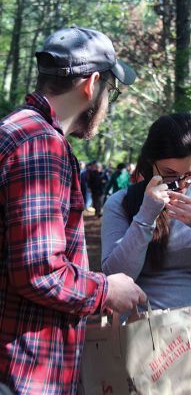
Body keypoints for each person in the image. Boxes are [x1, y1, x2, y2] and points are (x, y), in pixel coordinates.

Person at [0, 26, 146, 394]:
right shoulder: (40, 145)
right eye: (109, 90)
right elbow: (40, 272)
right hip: (23, 370)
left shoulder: (15, 132)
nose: (106, 101)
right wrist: (105, 290)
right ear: (91, 85)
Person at [101, 112, 191, 395]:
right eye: (169, 175)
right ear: (149, 163)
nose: (181, 185)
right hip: (142, 344)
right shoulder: (122, 203)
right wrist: (145, 216)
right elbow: (116, 277)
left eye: (190, 175)